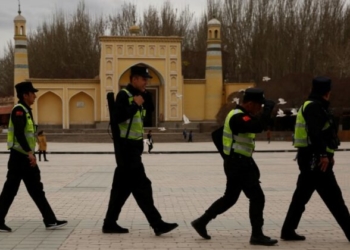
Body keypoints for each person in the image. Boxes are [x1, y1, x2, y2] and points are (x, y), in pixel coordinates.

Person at [191, 88, 278, 246]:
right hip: (239, 164)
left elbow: (258, 125)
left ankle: (201, 222)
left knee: (230, 198)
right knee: (257, 197)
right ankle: (257, 235)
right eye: (259, 105)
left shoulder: (242, 115)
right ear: (250, 104)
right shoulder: (238, 117)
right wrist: (268, 111)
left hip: (237, 163)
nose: (260, 109)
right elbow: (256, 127)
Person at [102, 65, 178, 235]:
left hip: (135, 147)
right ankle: (157, 223)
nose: (146, 82)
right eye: (143, 79)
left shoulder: (141, 95)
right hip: (126, 148)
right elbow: (117, 118)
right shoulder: (124, 95)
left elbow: (150, 112)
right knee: (142, 186)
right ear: (134, 79)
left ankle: (109, 222)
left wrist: (145, 96)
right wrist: (135, 105)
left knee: (121, 189)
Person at [281, 77, 350, 241]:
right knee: (334, 198)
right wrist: (323, 155)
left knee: (301, 196)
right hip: (314, 158)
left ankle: (288, 230)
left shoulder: (314, 105)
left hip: (310, 157)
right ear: (327, 92)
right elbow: (315, 133)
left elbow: (325, 133)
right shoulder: (314, 107)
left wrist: (329, 154)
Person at [0, 81, 67, 232]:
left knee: (34, 189)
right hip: (19, 157)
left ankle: (50, 220)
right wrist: (30, 153)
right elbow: (19, 134)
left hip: (24, 157)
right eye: (32, 93)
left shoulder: (25, 110)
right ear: (25, 95)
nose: (35, 96)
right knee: (12, 189)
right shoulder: (19, 111)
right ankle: (49, 220)